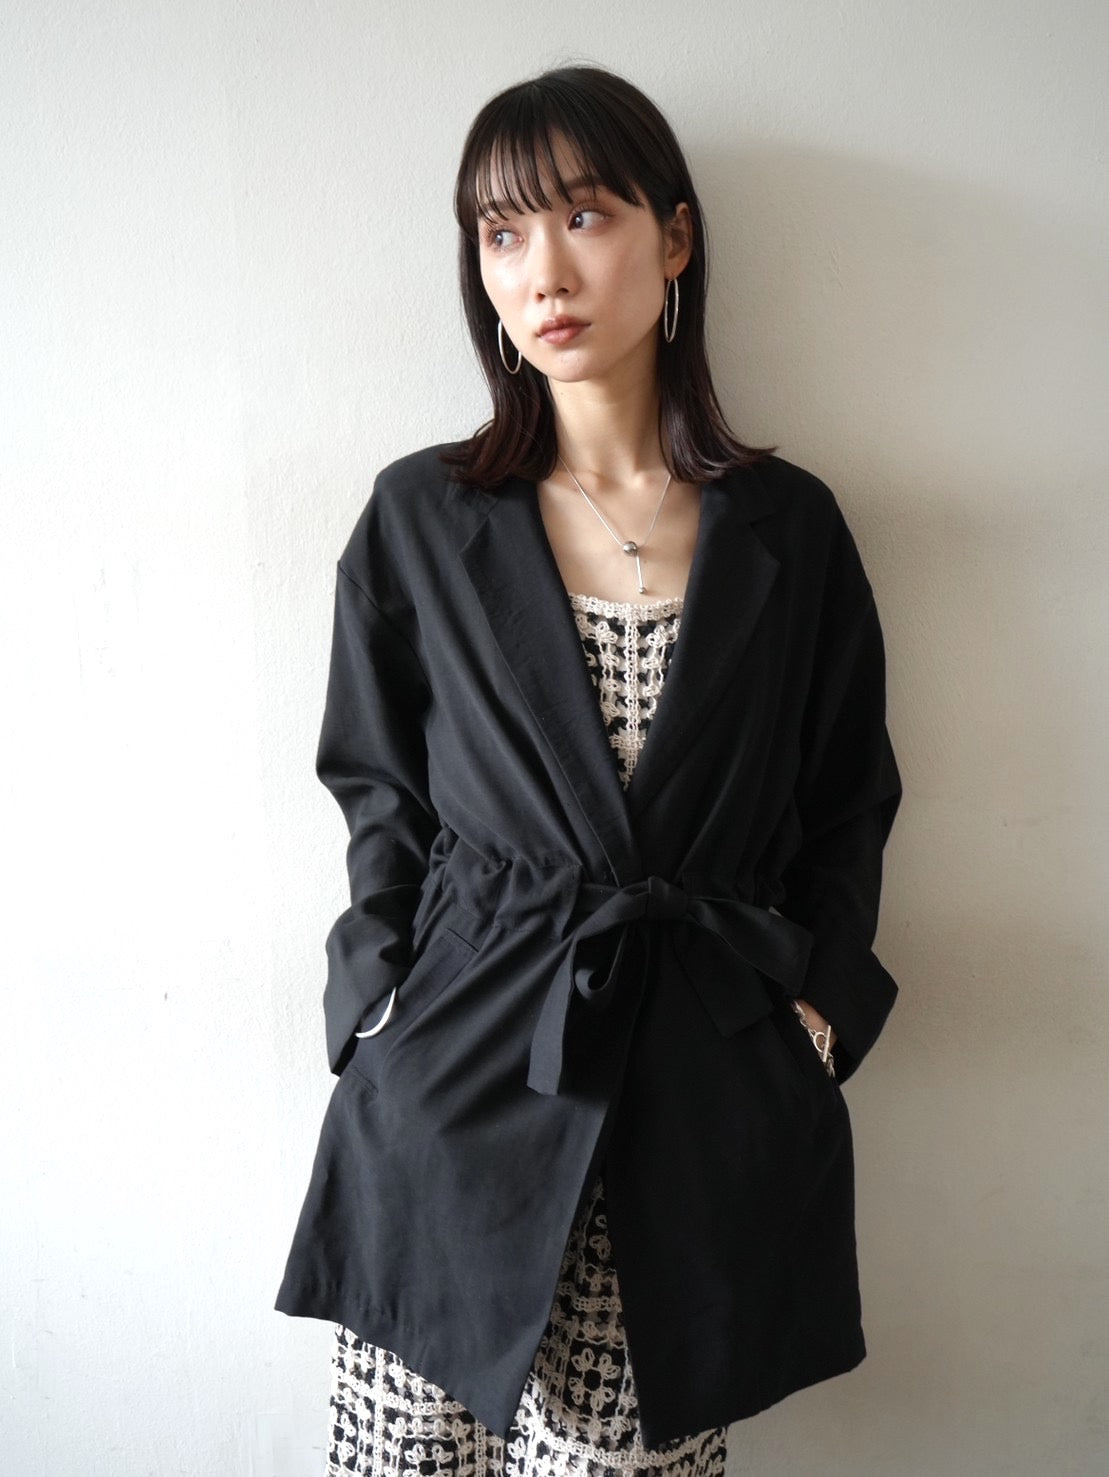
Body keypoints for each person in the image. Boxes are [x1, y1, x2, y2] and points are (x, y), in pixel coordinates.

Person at [275, 64, 903, 1477]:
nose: (542, 272)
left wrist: (815, 1009)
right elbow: (376, 785)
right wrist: (377, 1000)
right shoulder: (425, 519)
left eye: (583, 216)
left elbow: (848, 796)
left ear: (673, 238)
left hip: (690, 1100)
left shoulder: (788, 530)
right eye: (501, 233)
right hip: (455, 1089)